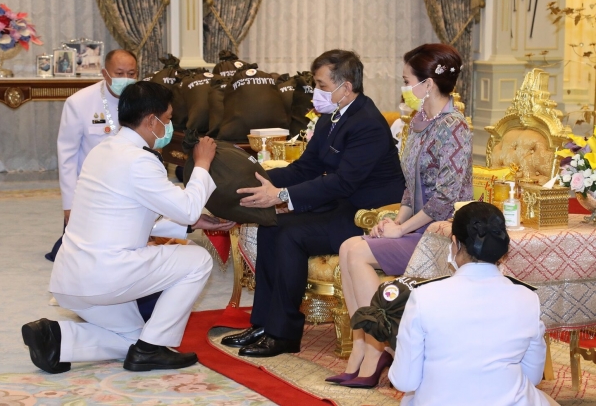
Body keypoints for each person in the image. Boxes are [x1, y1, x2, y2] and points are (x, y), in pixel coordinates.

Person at [21, 81, 235, 374]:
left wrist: (190, 225)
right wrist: (202, 164)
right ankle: (154, 349)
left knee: (134, 339)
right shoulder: (139, 161)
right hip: (104, 278)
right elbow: (187, 207)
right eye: (169, 119)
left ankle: (57, 338)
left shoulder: (103, 150)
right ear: (151, 120)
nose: (169, 126)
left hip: (70, 279)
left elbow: (124, 216)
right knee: (197, 260)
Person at [221, 49, 406, 357]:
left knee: (292, 235)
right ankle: (265, 323)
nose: (316, 93)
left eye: (321, 86)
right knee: (272, 225)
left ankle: (284, 335)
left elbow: (343, 181)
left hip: (365, 215)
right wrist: (255, 177)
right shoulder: (331, 117)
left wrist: (281, 195)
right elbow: (305, 168)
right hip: (340, 204)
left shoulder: (367, 123)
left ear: (345, 87)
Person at [330, 43, 472, 388]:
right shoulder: (421, 122)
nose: (404, 88)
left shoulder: (453, 127)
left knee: (356, 250)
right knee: (349, 247)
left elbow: (444, 199)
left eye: (408, 80)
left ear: (428, 84)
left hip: (443, 234)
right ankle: (364, 346)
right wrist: (395, 222)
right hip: (417, 227)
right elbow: (411, 188)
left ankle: (377, 345)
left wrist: (401, 229)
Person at [389, 202, 560, 406]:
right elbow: (532, 377)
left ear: (455, 243)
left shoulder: (424, 296)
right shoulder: (527, 298)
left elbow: (405, 381)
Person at [45, 49, 138, 262]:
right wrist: (69, 204)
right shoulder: (79, 103)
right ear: (105, 74)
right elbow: (67, 156)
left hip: (130, 187)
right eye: (120, 73)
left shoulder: (142, 100)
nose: (126, 79)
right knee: (81, 256)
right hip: (91, 191)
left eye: (131, 74)